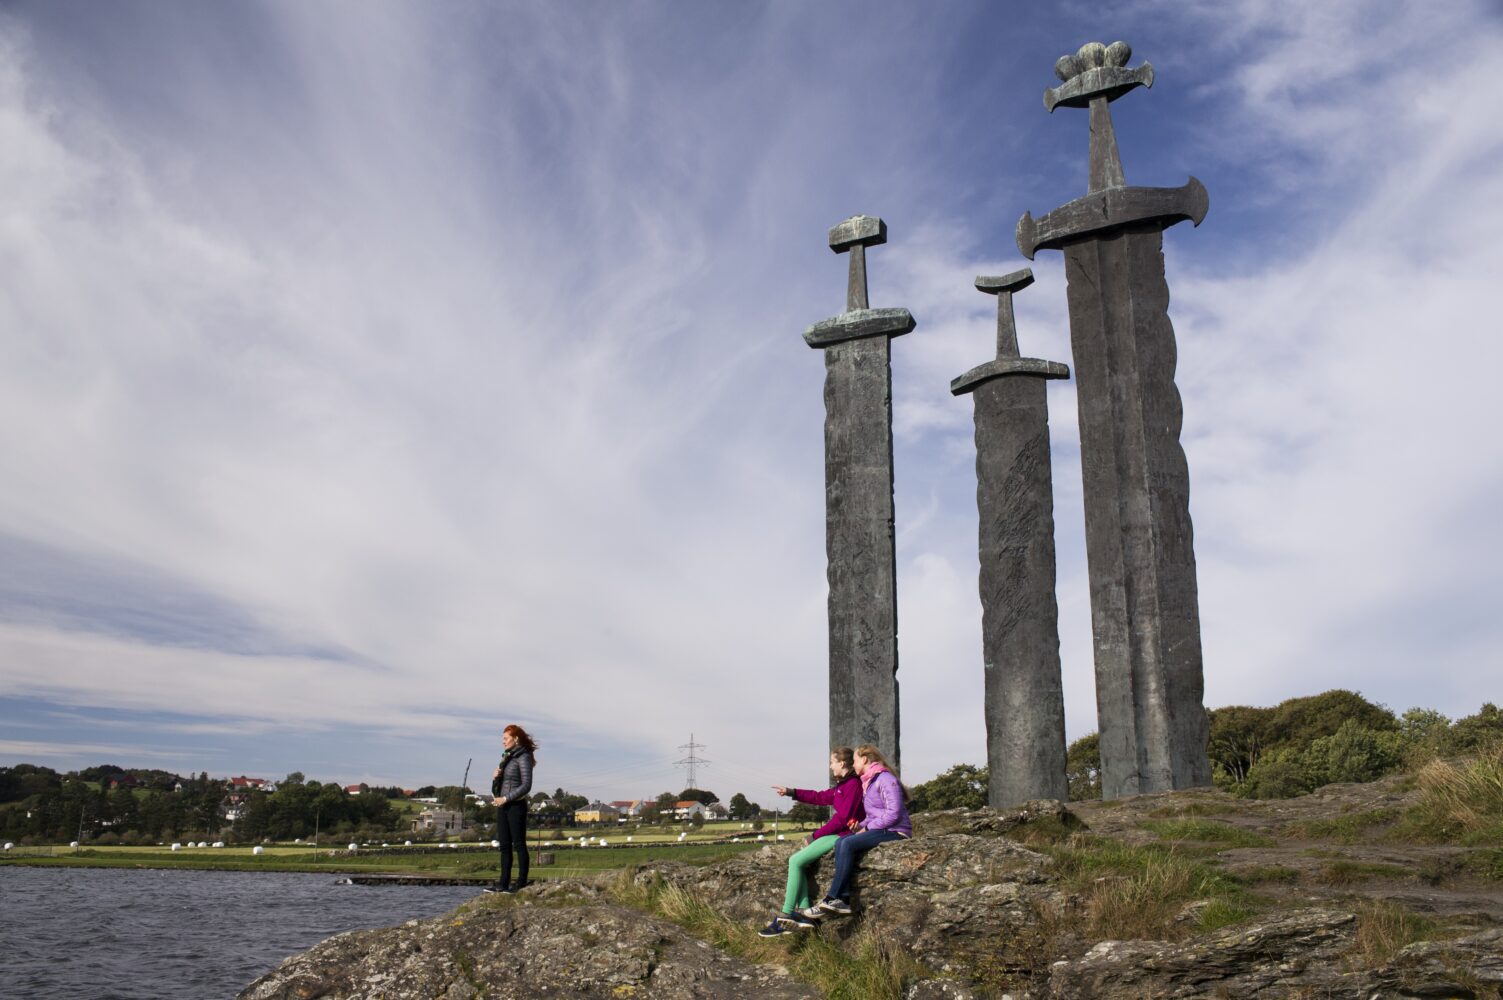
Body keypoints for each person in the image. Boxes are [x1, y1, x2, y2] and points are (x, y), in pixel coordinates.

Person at [758, 746, 865, 938]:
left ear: (842, 763)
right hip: (837, 834)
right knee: (799, 862)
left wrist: (815, 835)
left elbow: (842, 819)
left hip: (843, 836)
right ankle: (804, 912)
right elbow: (818, 796)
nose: (830, 766)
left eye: (832, 762)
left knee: (795, 861)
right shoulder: (842, 786)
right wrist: (791, 792)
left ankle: (786, 914)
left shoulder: (853, 785)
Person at [815, 743, 911, 916]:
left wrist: (867, 827)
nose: (853, 764)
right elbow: (874, 815)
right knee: (841, 841)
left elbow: (893, 814)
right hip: (884, 829)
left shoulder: (884, 778)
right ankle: (843, 900)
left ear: (865, 759)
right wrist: (860, 826)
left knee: (847, 844)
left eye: (855, 760)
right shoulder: (869, 782)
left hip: (896, 831)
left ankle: (832, 897)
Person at [484, 723, 536, 893]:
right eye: (503, 739)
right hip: (503, 806)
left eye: (506, 738)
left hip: (516, 806)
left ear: (516, 739)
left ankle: (521, 883)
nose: (503, 741)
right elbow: (503, 783)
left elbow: (526, 785)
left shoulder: (523, 757)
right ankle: (503, 884)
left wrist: (506, 798)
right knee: (504, 846)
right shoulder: (507, 758)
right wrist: (495, 776)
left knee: (519, 844)